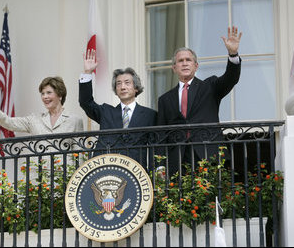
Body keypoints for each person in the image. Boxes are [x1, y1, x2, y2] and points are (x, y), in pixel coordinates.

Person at [157, 26, 243, 177]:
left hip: (208, 155)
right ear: (174, 68)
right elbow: (160, 135)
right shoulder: (165, 99)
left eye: (188, 60)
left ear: (196, 66)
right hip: (177, 160)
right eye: (180, 61)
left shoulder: (210, 87)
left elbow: (231, 78)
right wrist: (160, 166)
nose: (184, 63)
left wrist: (233, 54)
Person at [79, 49, 157, 170]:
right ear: (116, 90)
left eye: (127, 83)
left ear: (136, 88)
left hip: (136, 172)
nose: (123, 87)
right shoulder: (105, 112)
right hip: (106, 170)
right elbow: (86, 102)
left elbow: (154, 147)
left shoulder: (150, 115)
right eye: (118, 84)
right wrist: (88, 72)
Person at [0, 76, 84, 135]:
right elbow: (8, 122)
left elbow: (79, 154)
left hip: (66, 171)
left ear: (60, 95)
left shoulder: (74, 120)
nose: (45, 97)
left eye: (49, 93)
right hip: (39, 171)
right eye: (43, 93)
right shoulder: (34, 119)